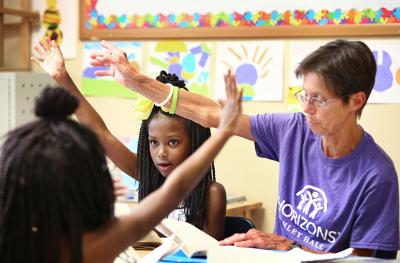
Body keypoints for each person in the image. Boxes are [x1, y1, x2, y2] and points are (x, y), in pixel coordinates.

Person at [89, 39, 399, 257]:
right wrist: (135, 81)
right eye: (303, 96)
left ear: (355, 101)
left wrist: (288, 246)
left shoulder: (377, 176)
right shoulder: (294, 130)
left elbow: (363, 259)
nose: (307, 109)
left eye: (318, 99)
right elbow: (214, 114)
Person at [0, 83, 242, 262]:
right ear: (91, 188)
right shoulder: (97, 246)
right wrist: (223, 133)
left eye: (173, 142)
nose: (160, 153)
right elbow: (175, 190)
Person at [31, 40, 226, 240]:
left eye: (173, 142)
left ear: (195, 144)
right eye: (154, 142)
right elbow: (100, 133)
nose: (161, 153)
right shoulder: (149, 177)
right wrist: (63, 79)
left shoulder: (212, 194)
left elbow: (212, 256)